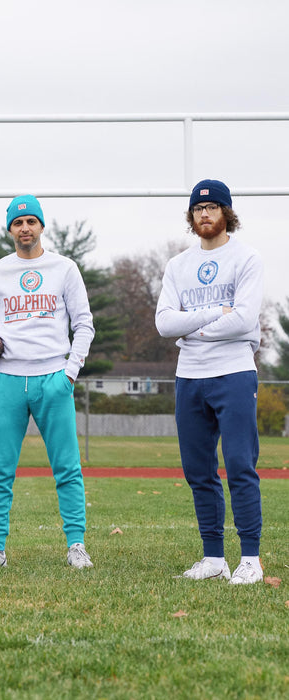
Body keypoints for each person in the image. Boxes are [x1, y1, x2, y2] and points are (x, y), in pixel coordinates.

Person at [0, 195, 95, 571]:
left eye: (32, 221)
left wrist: (69, 373)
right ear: (10, 230)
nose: (25, 228)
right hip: (5, 380)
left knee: (67, 467)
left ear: (42, 226)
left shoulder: (64, 268)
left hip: (53, 377)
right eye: (18, 223)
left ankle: (76, 545)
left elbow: (84, 323)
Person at [156, 179, 264, 585]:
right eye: (199, 209)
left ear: (227, 213)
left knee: (239, 465)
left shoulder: (247, 258)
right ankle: (214, 557)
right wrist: (212, 314)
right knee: (198, 471)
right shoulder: (178, 265)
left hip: (234, 371)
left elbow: (244, 319)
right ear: (191, 216)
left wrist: (192, 327)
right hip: (189, 377)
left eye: (213, 208)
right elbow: (165, 323)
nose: (205, 214)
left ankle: (250, 558)